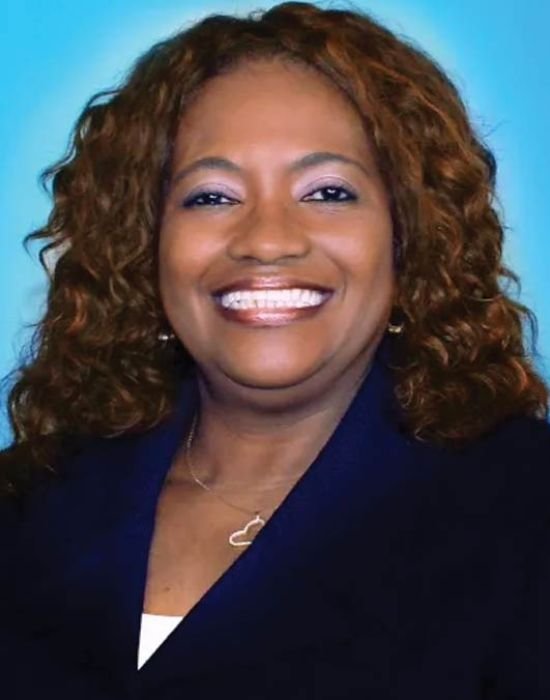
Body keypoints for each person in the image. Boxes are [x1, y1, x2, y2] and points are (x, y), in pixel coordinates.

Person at [1, 1, 549, 698]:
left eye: (327, 192)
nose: (266, 240)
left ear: (408, 238)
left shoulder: (523, 511)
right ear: (146, 244)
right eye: (211, 197)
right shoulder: (30, 500)